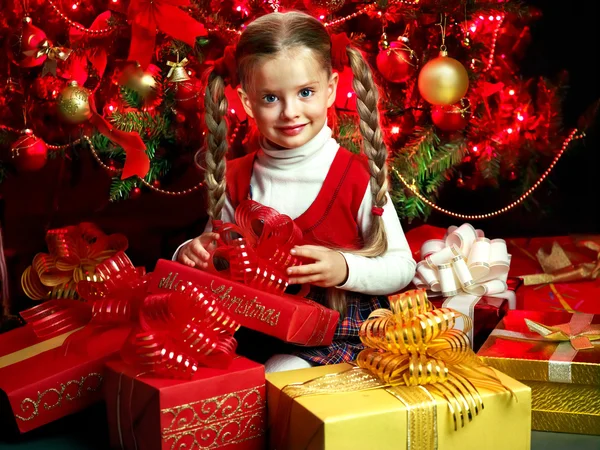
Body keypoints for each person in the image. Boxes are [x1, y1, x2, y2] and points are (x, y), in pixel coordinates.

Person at [174, 10, 416, 373]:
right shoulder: (237, 177)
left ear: (331, 89)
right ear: (247, 100)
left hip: (334, 329)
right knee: (194, 366)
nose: (290, 112)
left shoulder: (354, 177)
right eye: (271, 98)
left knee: (279, 375)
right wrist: (189, 253)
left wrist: (345, 268)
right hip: (251, 324)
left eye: (305, 92)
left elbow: (402, 266)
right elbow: (215, 255)